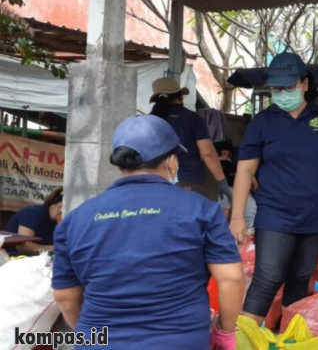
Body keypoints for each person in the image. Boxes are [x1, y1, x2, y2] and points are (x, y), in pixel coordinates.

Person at [52, 115, 244, 349]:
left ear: (121, 164)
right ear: (171, 161)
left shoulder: (74, 220)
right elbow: (231, 278)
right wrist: (224, 332)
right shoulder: (201, 210)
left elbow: (65, 296)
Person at [229, 52, 318, 325]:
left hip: (315, 217)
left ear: (304, 84)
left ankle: (288, 339)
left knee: (300, 279)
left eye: (288, 86)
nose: (282, 92)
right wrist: (237, 217)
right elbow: (245, 170)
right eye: (276, 88)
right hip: (275, 214)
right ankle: (244, 341)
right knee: (268, 277)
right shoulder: (262, 122)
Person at [150, 77, 232, 202]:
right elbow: (208, 153)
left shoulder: (150, 120)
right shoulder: (193, 118)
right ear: (180, 96)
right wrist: (221, 181)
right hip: (188, 183)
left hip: (156, 183)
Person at [4, 187, 62, 254]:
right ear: (60, 208)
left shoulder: (55, 222)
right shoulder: (33, 213)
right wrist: (55, 248)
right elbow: (23, 247)